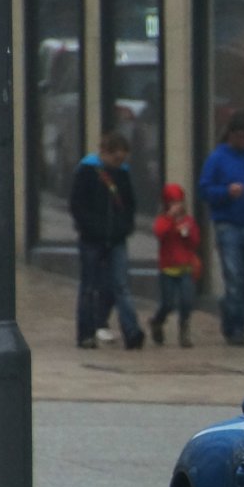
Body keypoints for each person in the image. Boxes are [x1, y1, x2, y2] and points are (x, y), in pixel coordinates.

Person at [198, 110, 244, 346]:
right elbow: (205, 190)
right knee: (234, 278)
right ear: (230, 135)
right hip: (227, 225)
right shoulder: (217, 158)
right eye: (240, 136)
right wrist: (226, 192)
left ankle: (231, 310)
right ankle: (236, 327)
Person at [70, 130, 145, 350]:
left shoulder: (122, 174)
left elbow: (130, 205)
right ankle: (86, 334)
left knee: (121, 286)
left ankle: (132, 331)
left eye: (122, 159)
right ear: (105, 153)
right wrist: (93, 228)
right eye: (116, 158)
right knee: (89, 287)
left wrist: (124, 227)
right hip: (91, 239)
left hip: (117, 239)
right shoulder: (86, 172)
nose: (119, 163)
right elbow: (77, 206)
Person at [149, 182, 201, 348]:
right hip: (168, 269)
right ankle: (158, 321)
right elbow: (160, 233)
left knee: (187, 301)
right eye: (173, 203)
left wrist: (186, 233)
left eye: (179, 202)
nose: (177, 206)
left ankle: (184, 330)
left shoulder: (188, 221)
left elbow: (195, 241)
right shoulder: (163, 220)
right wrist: (171, 221)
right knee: (168, 303)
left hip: (185, 268)